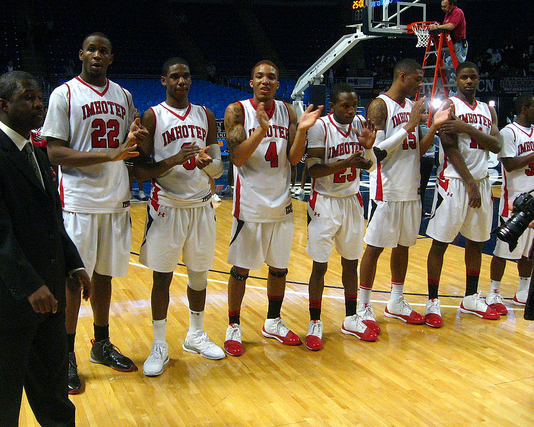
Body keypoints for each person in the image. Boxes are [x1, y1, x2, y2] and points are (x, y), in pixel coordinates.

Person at [0, 71, 92, 427]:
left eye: (39, 98)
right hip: (8, 301)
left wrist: (74, 264)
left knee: (54, 395)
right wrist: (30, 285)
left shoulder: (39, 153)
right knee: (1, 401)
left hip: (49, 300)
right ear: (3, 105)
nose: (38, 104)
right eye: (28, 98)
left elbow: (52, 221)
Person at [42, 32, 147, 394]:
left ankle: (100, 344)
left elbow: (127, 144)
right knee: (74, 280)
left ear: (111, 58)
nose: (97, 55)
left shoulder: (124, 95)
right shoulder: (64, 94)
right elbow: (54, 153)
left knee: (105, 276)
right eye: (91, 49)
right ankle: (65, 354)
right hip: (79, 201)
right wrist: (111, 154)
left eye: (104, 50)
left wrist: (135, 138)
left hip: (116, 199)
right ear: (81, 54)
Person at [133, 58, 225, 376]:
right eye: (175, 76)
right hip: (167, 206)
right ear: (164, 81)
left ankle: (195, 335)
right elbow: (140, 172)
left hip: (201, 206)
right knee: (162, 278)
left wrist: (208, 165)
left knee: (199, 276)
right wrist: (173, 159)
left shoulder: (206, 115)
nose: (181, 81)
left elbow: (218, 168)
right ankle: (159, 344)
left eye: (186, 76)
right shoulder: (153, 116)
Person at [223, 60, 320, 356]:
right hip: (249, 205)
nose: (265, 81)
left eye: (271, 77)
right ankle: (233, 325)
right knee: (241, 270)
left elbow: (293, 159)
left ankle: (273, 321)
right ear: (251, 82)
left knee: (279, 269)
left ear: (278, 84)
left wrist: (302, 131)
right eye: (259, 76)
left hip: (281, 204)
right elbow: (237, 158)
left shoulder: (288, 112)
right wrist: (261, 131)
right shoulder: (237, 110)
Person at [357, 59, 446, 333]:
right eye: (417, 79)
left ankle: (396, 301)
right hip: (386, 189)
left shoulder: (411, 107)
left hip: (411, 188)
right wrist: (408, 126)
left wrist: (433, 127)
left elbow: (418, 150)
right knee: (374, 247)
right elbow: (377, 153)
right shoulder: (380, 105)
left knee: (403, 246)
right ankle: (363, 306)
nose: (420, 84)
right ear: (402, 76)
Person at [424, 61, 503, 327]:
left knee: (477, 242)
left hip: (480, 181)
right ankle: (432, 301)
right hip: (455, 182)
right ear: (456, 80)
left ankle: (470, 297)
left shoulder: (488, 110)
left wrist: (468, 128)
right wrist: (469, 183)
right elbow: (450, 147)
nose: (469, 81)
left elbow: (497, 145)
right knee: (440, 242)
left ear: (479, 79)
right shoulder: (450, 106)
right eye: (464, 77)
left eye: (473, 77)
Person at [304, 83, 379, 348]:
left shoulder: (359, 124)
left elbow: (371, 166)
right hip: (324, 201)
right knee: (320, 266)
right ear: (332, 106)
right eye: (345, 105)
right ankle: (315, 322)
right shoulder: (320, 127)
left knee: (350, 262)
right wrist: (346, 162)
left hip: (351, 200)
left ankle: (350, 318)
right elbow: (313, 170)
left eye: (354, 105)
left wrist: (368, 148)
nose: (351, 110)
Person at [485, 93, 534, 313]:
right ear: (525, 109)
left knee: (528, 252)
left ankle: (523, 290)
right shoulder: (509, 132)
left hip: (533, 200)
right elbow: (510, 164)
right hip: (513, 202)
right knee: (503, 250)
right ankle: (493, 291)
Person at [429, 0, 467, 81]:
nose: (443, 8)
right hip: (449, 45)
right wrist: (439, 26)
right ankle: (451, 88)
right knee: (449, 70)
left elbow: (451, 26)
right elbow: (446, 27)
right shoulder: (448, 14)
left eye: (445, 6)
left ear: (452, 4)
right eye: (442, 6)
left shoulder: (457, 12)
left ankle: (456, 89)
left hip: (457, 44)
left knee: (456, 69)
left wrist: (437, 27)